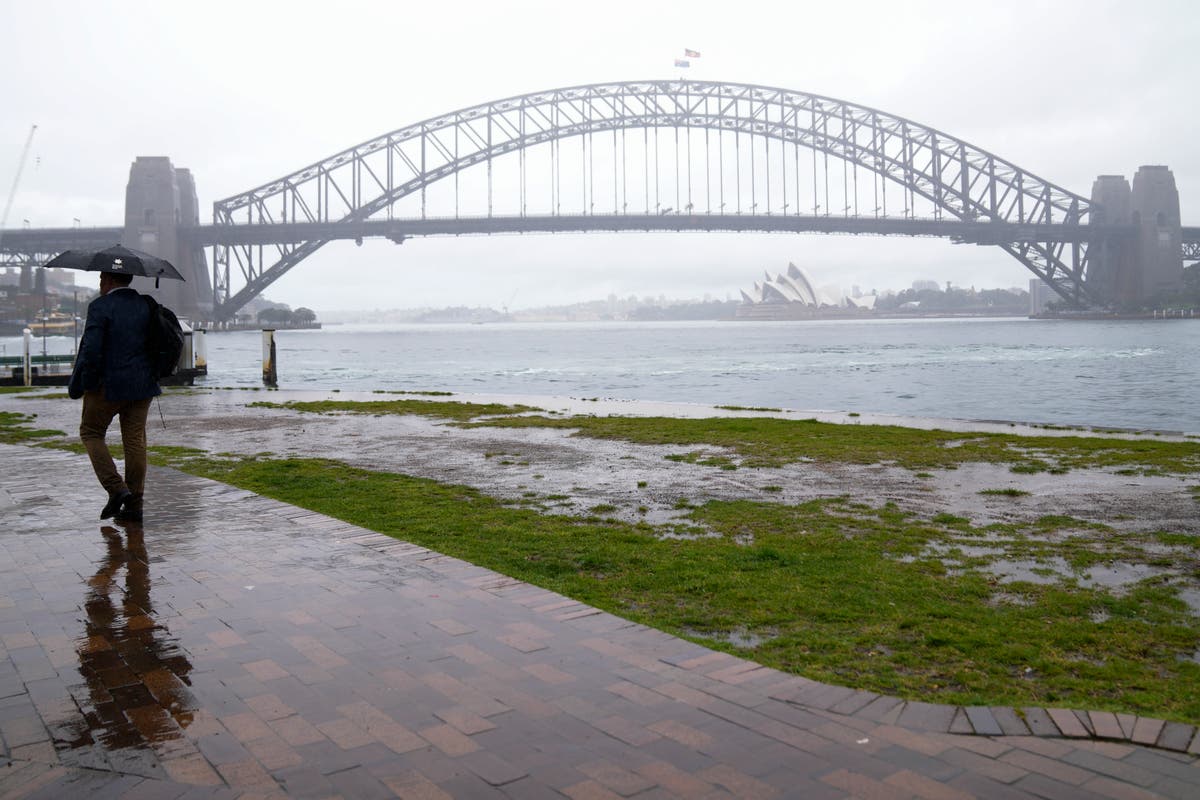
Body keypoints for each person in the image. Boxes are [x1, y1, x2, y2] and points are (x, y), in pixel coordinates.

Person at [68, 268, 160, 523]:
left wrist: (87, 384)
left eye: (100, 279)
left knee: (91, 432)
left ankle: (117, 488)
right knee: (134, 441)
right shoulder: (146, 305)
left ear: (107, 280)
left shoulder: (100, 307)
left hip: (107, 387)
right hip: (143, 386)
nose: (100, 283)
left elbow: (92, 350)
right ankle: (135, 505)